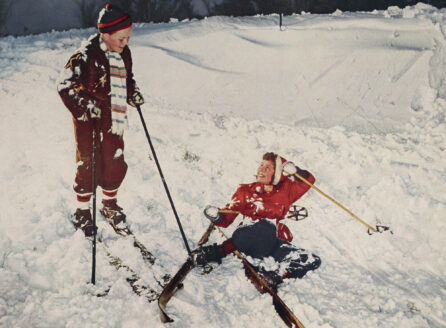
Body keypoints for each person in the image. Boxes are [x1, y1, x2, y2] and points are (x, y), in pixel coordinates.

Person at [57, 4, 144, 237]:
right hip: (88, 119)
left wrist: (131, 92)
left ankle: (109, 204)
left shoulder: (124, 53)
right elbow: (64, 85)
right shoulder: (85, 55)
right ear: (105, 34)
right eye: (120, 38)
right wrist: (86, 107)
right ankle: (82, 211)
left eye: (127, 38)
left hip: (113, 116)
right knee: (89, 161)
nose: (125, 43)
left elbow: (127, 78)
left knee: (114, 159)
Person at [194, 152, 321, 288]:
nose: (262, 169)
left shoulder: (285, 191)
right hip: (245, 236)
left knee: (311, 259)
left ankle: (276, 276)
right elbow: (226, 220)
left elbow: (309, 181)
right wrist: (216, 216)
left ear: (277, 173)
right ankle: (220, 251)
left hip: (269, 242)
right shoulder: (246, 191)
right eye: (261, 165)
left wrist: (296, 171)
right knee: (264, 227)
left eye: (268, 167)